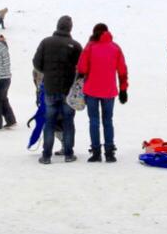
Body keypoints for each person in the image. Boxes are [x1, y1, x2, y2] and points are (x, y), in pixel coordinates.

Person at [33, 16, 82, 163]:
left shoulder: (46, 42)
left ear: (57, 26)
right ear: (70, 28)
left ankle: (46, 156)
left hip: (50, 88)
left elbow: (36, 63)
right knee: (68, 122)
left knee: (49, 122)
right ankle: (68, 154)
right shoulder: (76, 46)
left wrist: (47, 73)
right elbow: (82, 68)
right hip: (68, 91)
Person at [77, 23, 128, 161]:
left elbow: (82, 68)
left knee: (94, 121)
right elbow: (122, 71)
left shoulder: (90, 47)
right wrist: (123, 89)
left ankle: (96, 152)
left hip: (91, 90)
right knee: (108, 120)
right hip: (109, 91)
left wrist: (80, 77)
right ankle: (110, 152)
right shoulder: (115, 48)